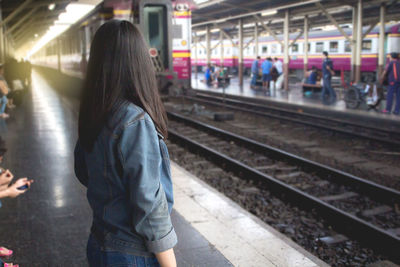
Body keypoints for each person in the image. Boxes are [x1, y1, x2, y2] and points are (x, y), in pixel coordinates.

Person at [74, 20, 177, 267]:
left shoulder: (95, 112)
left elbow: (83, 171)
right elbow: (149, 205)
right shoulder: (134, 120)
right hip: (132, 253)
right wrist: (169, 262)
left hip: (100, 242)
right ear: (138, 62)